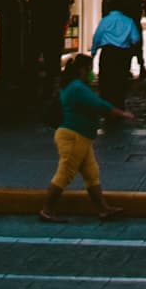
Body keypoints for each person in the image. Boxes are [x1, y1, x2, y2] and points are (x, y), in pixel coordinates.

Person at [41, 53, 131, 224]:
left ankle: (103, 208)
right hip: (74, 136)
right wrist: (122, 113)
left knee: (91, 173)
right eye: (90, 69)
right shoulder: (77, 88)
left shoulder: (72, 86)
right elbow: (99, 105)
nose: (91, 73)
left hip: (81, 137)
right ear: (82, 70)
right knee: (65, 174)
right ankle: (47, 209)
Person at [90, 0, 140, 110]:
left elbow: (97, 37)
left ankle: (107, 106)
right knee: (120, 81)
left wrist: (94, 51)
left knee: (106, 81)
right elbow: (136, 38)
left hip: (108, 53)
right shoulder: (129, 21)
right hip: (123, 54)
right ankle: (119, 105)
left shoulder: (105, 21)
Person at [33, 0, 73, 90]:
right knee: (53, 60)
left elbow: (32, 8)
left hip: (41, 30)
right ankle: (52, 86)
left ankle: (40, 86)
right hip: (55, 31)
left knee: (38, 58)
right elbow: (65, 13)